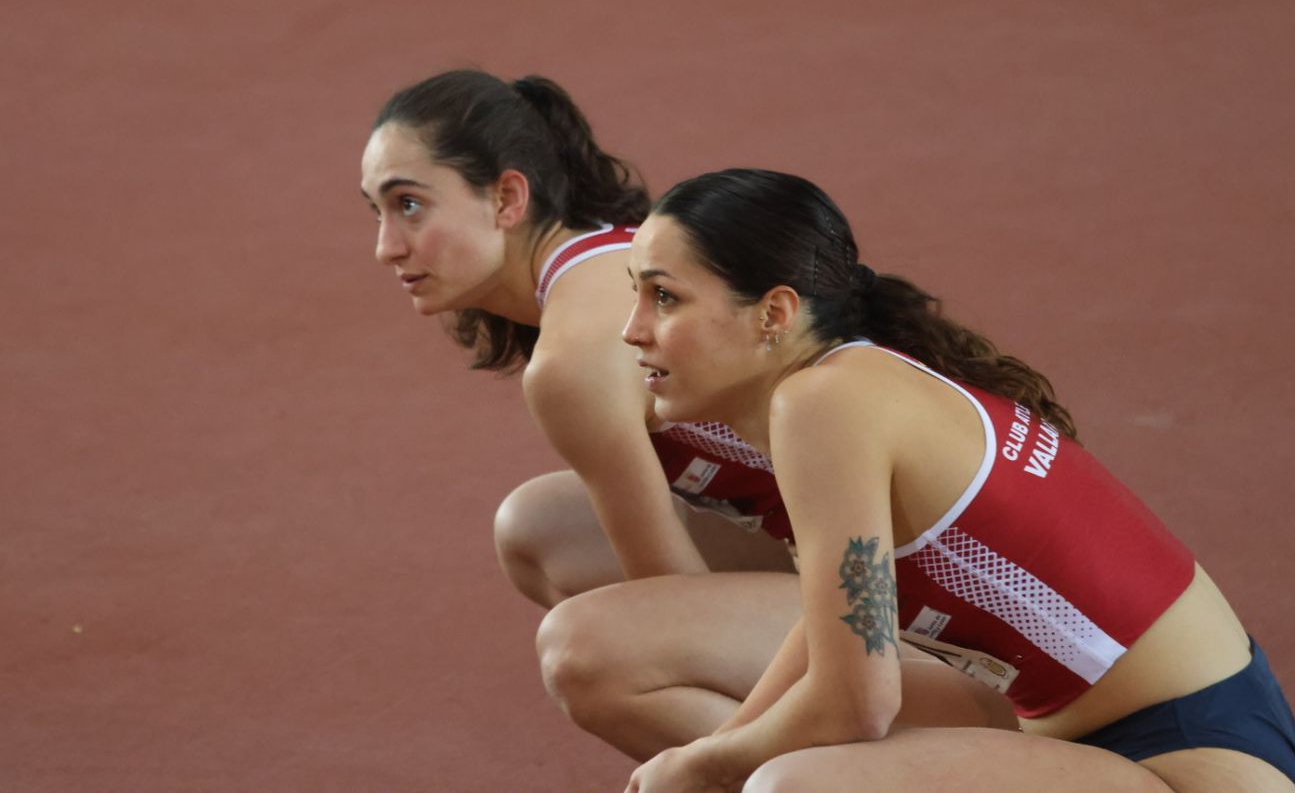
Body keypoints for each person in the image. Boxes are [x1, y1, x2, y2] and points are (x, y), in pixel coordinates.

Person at [363, 72, 1012, 759]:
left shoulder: (571, 360)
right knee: (540, 527)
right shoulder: (618, 251)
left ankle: (850, 768)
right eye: (376, 211)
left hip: (959, 607)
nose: (387, 244)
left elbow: (667, 598)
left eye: (409, 205)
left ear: (507, 197)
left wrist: (712, 756)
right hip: (936, 544)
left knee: (590, 653)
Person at [612, 168, 1295, 792]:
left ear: (774, 312)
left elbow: (855, 701)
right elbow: (841, 624)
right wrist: (716, 748)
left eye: (665, 297)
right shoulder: (845, 384)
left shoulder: (823, 405)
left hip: (1195, 757)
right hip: (1120, 737)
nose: (631, 329)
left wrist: (705, 766)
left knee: (793, 784)